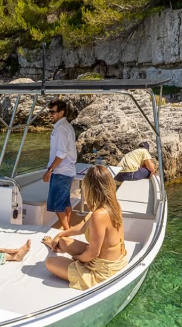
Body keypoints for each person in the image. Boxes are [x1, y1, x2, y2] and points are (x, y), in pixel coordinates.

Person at [43, 166, 127, 290]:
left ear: (90, 188)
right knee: (63, 241)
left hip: (103, 270)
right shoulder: (113, 205)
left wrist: (77, 258)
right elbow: (82, 227)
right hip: (115, 259)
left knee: (50, 262)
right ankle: (55, 245)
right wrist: (60, 235)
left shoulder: (99, 215)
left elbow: (93, 253)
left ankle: (79, 265)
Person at [43, 99, 77, 231]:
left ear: (61, 113)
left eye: (52, 112)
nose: (50, 114)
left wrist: (50, 170)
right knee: (65, 202)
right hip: (67, 171)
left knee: (58, 205)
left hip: (61, 172)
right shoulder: (66, 126)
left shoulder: (61, 129)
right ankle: (68, 228)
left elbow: (61, 153)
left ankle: (66, 232)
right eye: (49, 112)